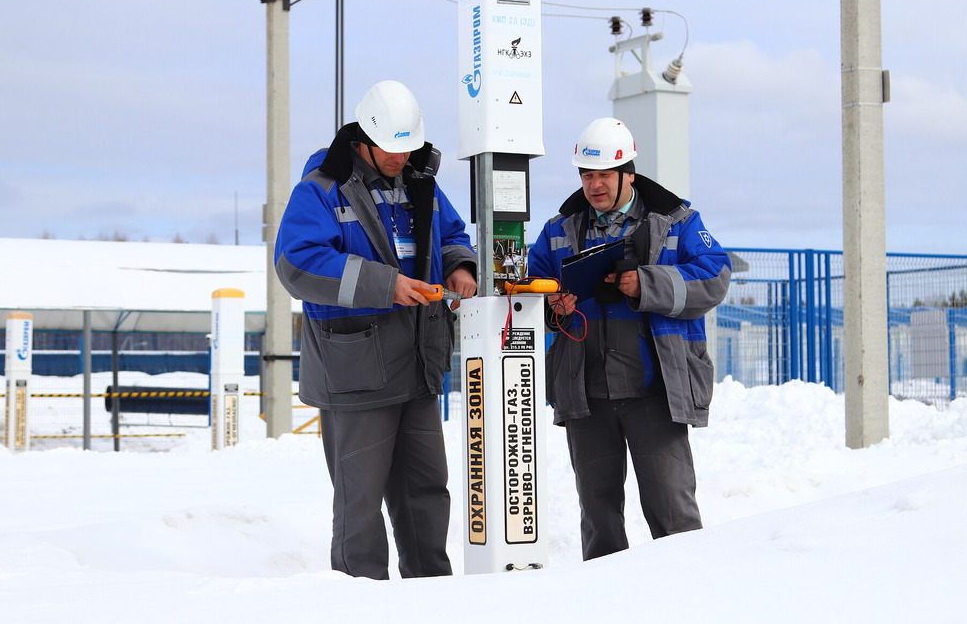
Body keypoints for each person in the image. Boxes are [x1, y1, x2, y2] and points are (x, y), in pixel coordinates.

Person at [274, 80, 477, 580]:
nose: (400, 156)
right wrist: (386, 285)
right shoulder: (320, 190)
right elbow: (296, 264)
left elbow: (451, 233)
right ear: (363, 137)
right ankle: (359, 603)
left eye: (408, 146)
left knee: (427, 492)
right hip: (357, 376)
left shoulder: (419, 181)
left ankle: (431, 596)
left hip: (418, 363)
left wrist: (460, 267)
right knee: (359, 508)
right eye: (391, 146)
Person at [527, 117, 731, 561]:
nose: (594, 185)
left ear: (629, 174)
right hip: (586, 395)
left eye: (603, 175)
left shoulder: (677, 222)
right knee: (599, 519)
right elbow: (529, 293)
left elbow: (715, 277)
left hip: (654, 394)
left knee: (673, 513)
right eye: (586, 174)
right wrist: (551, 306)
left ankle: (685, 597)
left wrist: (647, 284)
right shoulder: (557, 231)